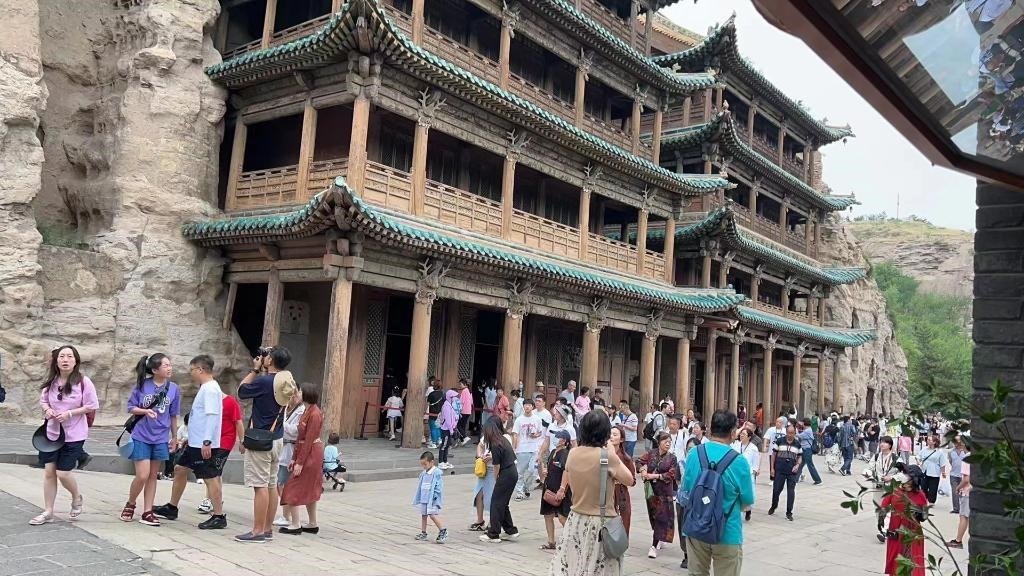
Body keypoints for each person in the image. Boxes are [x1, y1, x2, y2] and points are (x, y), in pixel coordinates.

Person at [153, 355, 239, 530]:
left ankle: (218, 515)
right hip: (195, 442)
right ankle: (172, 507)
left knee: (210, 477)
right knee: (180, 468)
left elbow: (212, 416)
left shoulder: (210, 389)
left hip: (203, 444)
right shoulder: (206, 387)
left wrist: (207, 441)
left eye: (192, 370)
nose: (191, 373)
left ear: (200, 370)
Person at [550, 410, 634, 576]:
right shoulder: (607, 456)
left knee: (574, 567)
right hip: (600, 523)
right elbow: (629, 480)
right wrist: (611, 452)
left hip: (575, 519)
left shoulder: (573, 453)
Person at [31, 345, 99, 526]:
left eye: (69, 356)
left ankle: (76, 497)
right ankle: (48, 511)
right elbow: (44, 400)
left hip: (74, 434)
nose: (65, 360)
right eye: (62, 356)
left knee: (63, 473)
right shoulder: (51, 381)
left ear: (76, 361)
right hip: (51, 433)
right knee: (49, 472)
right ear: (56, 360)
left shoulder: (84, 382)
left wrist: (70, 413)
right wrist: (47, 410)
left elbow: (92, 405)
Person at [682, 410, 755, 576]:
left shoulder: (694, 454)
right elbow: (747, 501)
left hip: (696, 526)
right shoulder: (739, 461)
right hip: (727, 531)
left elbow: (686, 490)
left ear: (710, 429)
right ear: (732, 432)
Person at [235, 346, 292, 543]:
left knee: (260, 486)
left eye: (267, 356)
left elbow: (241, 391)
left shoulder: (265, 381)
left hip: (261, 439)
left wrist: (255, 369)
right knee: (271, 484)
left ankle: (257, 531)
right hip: (277, 438)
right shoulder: (287, 379)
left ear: (270, 361)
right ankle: (267, 529)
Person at [122, 353, 181, 527]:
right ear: (155, 370)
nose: (169, 368)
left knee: (153, 476)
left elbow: (173, 415)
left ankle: (147, 511)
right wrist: (145, 411)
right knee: (142, 474)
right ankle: (131, 502)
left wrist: (174, 437)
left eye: (170, 365)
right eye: (165, 365)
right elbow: (131, 407)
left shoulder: (174, 388)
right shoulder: (142, 385)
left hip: (161, 437)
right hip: (141, 435)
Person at [279, 382, 325, 535]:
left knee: (292, 486)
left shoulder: (315, 414)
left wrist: (299, 462)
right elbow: (300, 437)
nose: (297, 393)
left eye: (299, 391)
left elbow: (309, 440)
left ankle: (295, 524)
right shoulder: (307, 411)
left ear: (306, 394)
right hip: (305, 451)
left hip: (311, 453)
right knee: (310, 488)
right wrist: (294, 458)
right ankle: (312, 523)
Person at [878, 464, 928, 575]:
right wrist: (881, 517)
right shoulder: (895, 489)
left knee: (912, 562)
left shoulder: (920, 495)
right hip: (895, 531)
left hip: (912, 533)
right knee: (895, 560)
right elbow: (884, 505)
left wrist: (919, 514)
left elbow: (925, 515)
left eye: (907, 475)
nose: (904, 477)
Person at [636, 431, 679, 558]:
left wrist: (654, 476)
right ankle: (660, 537)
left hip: (665, 492)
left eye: (670, 442)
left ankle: (653, 546)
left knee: (662, 517)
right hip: (652, 490)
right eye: (665, 441)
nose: (668, 444)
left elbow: (671, 474)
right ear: (659, 442)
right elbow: (638, 461)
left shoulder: (672, 458)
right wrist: (643, 470)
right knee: (654, 517)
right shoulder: (651, 453)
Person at [479, 418, 520, 543]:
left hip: (506, 473)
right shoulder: (502, 439)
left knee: (496, 503)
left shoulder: (495, 444)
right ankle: (510, 531)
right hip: (512, 472)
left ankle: (494, 533)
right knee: (503, 503)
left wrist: (496, 478)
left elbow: (496, 466)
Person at [272, 382, 305, 527]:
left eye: (295, 393)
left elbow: (295, 431)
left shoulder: (301, 410)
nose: (293, 396)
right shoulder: (286, 408)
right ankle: (286, 514)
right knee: (281, 483)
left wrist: (280, 424)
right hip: (283, 448)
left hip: (291, 448)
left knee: (284, 484)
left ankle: (287, 515)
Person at [540, 429, 573, 550]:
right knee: (547, 515)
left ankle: (572, 541)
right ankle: (551, 541)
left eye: (558, 437)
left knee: (562, 517)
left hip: (560, 490)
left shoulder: (565, 454)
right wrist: (544, 471)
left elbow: (566, 471)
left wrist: (562, 489)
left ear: (564, 441)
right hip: (549, 488)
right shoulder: (553, 452)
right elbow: (548, 466)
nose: (555, 439)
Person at [864, 436, 898, 543]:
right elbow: (869, 468)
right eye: (881, 442)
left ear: (890, 445)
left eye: (885, 442)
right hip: (878, 486)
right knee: (878, 507)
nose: (882, 444)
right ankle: (881, 528)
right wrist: (867, 473)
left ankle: (884, 530)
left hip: (890, 487)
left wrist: (892, 477)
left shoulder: (896, 458)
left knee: (887, 508)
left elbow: (903, 474)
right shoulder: (876, 456)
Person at [769, 422, 802, 521]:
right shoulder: (780, 441)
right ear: (786, 432)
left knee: (791, 492)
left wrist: (797, 465)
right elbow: (773, 455)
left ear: (795, 433)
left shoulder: (797, 444)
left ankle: (789, 512)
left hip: (792, 471)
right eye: (788, 432)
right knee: (776, 490)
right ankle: (774, 505)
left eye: (792, 433)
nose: (790, 435)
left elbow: (800, 456)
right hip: (780, 469)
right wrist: (772, 468)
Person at [412, 451, 448, 543]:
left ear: (432, 462)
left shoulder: (436, 473)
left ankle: (443, 530)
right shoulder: (424, 473)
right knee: (423, 514)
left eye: (425, 464)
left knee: (432, 515)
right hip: (424, 497)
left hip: (432, 498)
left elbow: (439, 486)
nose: (424, 466)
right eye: (422, 464)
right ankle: (423, 532)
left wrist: (435, 496)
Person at [511, 398, 543, 501]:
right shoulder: (519, 420)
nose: (527, 406)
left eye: (529, 405)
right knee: (520, 472)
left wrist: (536, 435)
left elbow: (540, 432)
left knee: (532, 471)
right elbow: (515, 434)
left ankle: (526, 486)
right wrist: (514, 448)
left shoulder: (537, 419)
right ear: (523, 406)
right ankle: (519, 493)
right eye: (525, 405)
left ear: (532, 407)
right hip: (522, 449)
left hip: (534, 449)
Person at [609, 424, 636, 535]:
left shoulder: (626, 458)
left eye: (615, 435)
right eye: (610, 434)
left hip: (620, 493)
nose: (611, 437)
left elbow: (633, 481)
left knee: (623, 523)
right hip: (606, 493)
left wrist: (621, 478)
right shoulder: (603, 455)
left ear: (621, 439)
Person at [731, 427, 760, 521]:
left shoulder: (753, 448)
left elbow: (755, 463)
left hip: (748, 474)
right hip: (736, 473)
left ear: (749, 437)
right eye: (741, 433)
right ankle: (738, 512)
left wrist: (754, 472)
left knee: (747, 493)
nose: (741, 435)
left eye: (744, 434)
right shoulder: (735, 445)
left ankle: (748, 511)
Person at [917, 435, 949, 504]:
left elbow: (942, 463)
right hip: (924, 471)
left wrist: (943, 472)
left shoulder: (939, 451)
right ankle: (924, 500)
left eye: (929, 440)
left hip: (935, 472)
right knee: (923, 487)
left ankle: (931, 501)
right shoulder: (924, 449)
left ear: (934, 442)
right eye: (927, 439)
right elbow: (918, 456)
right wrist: (918, 462)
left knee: (933, 488)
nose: (927, 441)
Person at [947, 457, 971, 549]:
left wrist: (958, 487)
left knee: (964, 516)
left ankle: (958, 540)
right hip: (975, 491)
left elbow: (966, 479)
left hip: (967, 492)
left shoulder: (967, 458)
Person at [436, 389, 459, 470]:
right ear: (449, 397)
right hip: (446, 429)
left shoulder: (449, 404)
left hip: (448, 429)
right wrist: (451, 429)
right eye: (453, 397)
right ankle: (440, 462)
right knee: (444, 445)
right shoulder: (446, 406)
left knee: (446, 445)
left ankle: (445, 461)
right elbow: (448, 420)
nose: (455, 398)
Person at [797, 417, 822, 485]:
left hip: (807, 450)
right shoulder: (807, 429)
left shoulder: (807, 431)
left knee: (810, 465)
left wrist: (794, 432)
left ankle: (818, 480)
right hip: (804, 449)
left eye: (802, 422)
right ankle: (796, 478)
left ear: (804, 423)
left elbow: (800, 436)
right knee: (800, 464)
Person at [948, 437, 968, 515]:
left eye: (958, 441)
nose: (957, 443)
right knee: (954, 491)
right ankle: (956, 508)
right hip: (953, 474)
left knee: (963, 491)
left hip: (963, 475)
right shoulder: (951, 452)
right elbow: (950, 461)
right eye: (955, 441)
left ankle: (963, 507)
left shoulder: (965, 451)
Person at [426, 383, 445, 449]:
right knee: (439, 427)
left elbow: (427, 404)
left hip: (432, 413)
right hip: (441, 413)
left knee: (433, 428)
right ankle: (439, 441)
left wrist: (425, 411)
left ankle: (433, 443)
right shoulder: (443, 394)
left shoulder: (431, 394)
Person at [457, 379, 474, 444]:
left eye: (460, 384)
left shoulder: (464, 391)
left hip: (463, 411)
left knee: (458, 425)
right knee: (463, 425)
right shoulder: (469, 391)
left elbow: (461, 401)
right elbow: (471, 402)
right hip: (468, 411)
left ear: (464, 384)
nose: (460, 385)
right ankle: (462, 440)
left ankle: (465, 437)